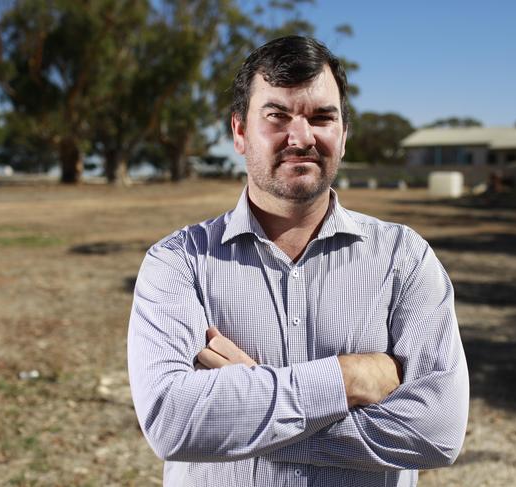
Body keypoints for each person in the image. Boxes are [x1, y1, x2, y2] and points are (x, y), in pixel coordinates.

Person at [127, 35, 468, 487]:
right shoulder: (178, 262)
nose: (301, 136)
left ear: (343, 135)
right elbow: (172, 423)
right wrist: (346, 379)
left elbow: (437, 431)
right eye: (277, 116)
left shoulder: (403, 259)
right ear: (240, 132)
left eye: (322, 117)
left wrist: (251, 410)